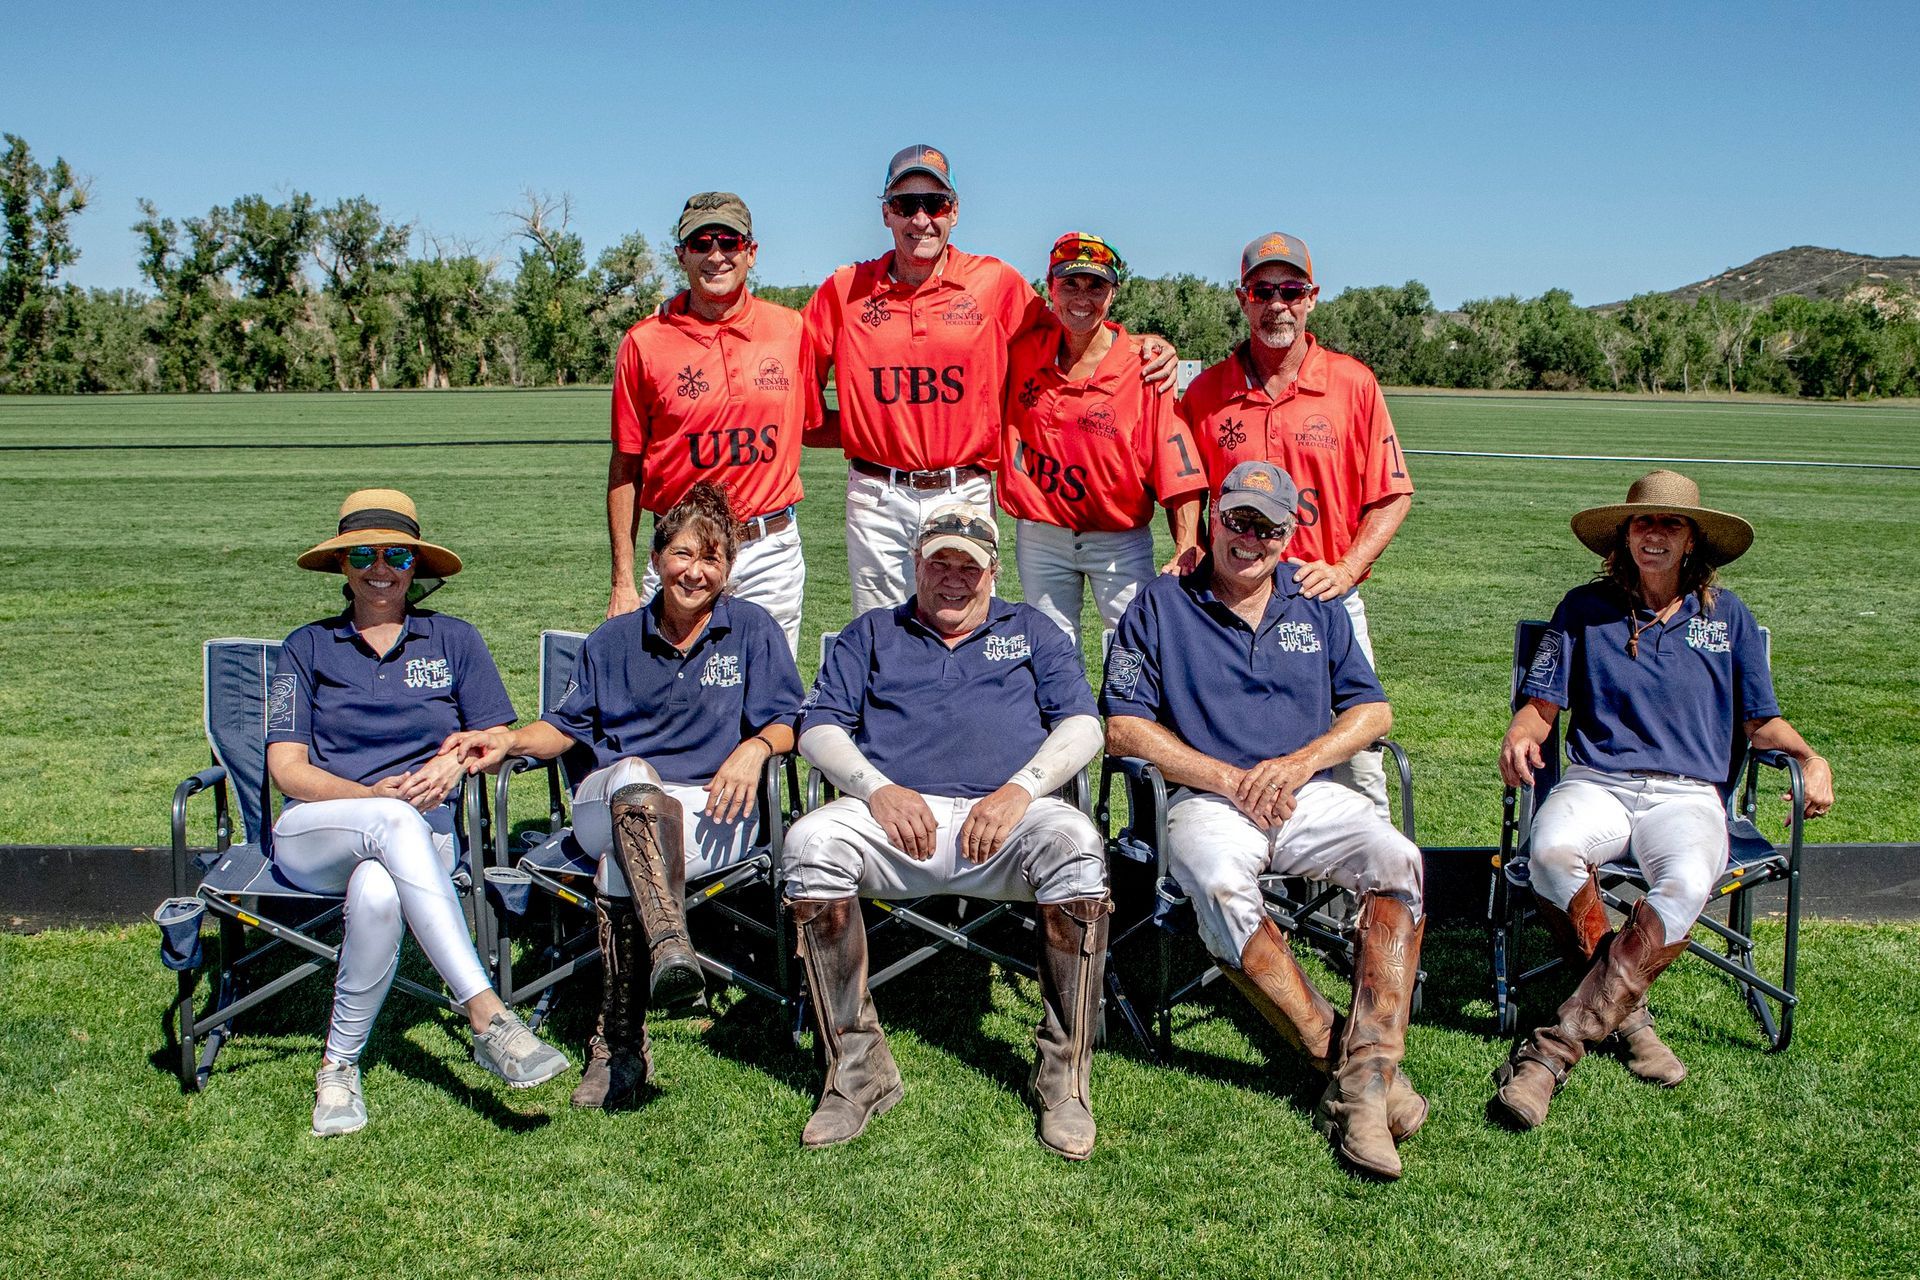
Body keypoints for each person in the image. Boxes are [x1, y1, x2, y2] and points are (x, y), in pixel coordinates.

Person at [1102, 461, 1427, 1181]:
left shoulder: (1317, 602)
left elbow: (1374, 711)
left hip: (1303, 790)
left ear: (1289, 535)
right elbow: (1122, 728)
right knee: (1218, 883)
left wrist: (1304, 761)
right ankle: (1356, 1078)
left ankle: (1363, 1082)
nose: (1249, 540)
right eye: (1238, 521)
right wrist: (1227, 778)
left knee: (1396, 856)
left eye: (1268, 528)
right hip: (1207, 797)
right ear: (1214, 518)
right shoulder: (1159, 604)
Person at [1491, 470, 1834, 1130]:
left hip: (1687, 796)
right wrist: (1519, 732)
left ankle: (1554, 1051)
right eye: (1643, 523)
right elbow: (1541, 708)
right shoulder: (1583, 609)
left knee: (1685, 884)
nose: (1654, 535)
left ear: (1691, 541)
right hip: (1598, 782)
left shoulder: (1726, 616)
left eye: (1669, 525)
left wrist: (1809, 756)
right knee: (1553, 852)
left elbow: (1760, 721)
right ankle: (1632, 1021)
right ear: (1625, 535)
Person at [449, 483, 804, 1111]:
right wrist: (507, 741)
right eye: (683, 554)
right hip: (605, 798)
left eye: (713, 559)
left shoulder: (752, 629)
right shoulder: (611, 641)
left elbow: (788, 721)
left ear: (729, 569)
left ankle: (617, 1047)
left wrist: (755, 749)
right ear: (658, 557)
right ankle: (669, 939)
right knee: (632, 774)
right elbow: (562, 728)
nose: (696, 571)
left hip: (707, 808)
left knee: (621, 862)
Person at [782, 503, 1111, 1159]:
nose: (954, 580)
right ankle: (857, 1073)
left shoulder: (1036, 632)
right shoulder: (872, 632)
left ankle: (1064, 1077)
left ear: (993, 572)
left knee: (1076, 844)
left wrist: (1022, 788)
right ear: (917, 567)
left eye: (969, 566)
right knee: (809, 844)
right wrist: (876, 790)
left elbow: (1084, 726)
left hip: (1007, 820)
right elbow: (817, 727)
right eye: (940, 564)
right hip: (895, 819)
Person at [267, 488, 570, 1137]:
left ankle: (338, 1073)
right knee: (393, 821)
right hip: (316, 834)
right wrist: (372, 799)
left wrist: (456, 763)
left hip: (423, 839)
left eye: (397, 553)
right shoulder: (307, 647)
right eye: (364, 554)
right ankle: (488, 1015)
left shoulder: (455, 641)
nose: (382, 567)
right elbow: (286, 770)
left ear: (416, 565)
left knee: (378, 893)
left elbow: (495, 741)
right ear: (343, 567)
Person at [802, 144, 1177, 615]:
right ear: (886, 214)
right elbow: (799, 395)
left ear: (954, 211)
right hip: (877, 495)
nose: (921, 219)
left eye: (934, 204)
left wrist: (1142, 341)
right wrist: (863, 428)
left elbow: (1075, 324)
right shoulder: (844, 289)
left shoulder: (994, 282)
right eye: (905, 205)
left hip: (965, 486)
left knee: (968, 630)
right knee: (881, 636)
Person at [1174, 232, 1414, 820]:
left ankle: (1372, 896)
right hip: (1232, 603)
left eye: (1290, 290)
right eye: (1263, 290)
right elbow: (1187, 488)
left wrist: (1349, 568)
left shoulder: (1352, 382)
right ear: (1242, 298)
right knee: (1225, 741)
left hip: (1323, 595)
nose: (1276, 303)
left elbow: (1392, 493)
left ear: (1311, 298)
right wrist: (1188, 544)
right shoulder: (1206, 392)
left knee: (1357, 759)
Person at [606, 192, 820, 653]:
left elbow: (821, 421)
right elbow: (625, 464)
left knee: (769, 696)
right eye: (702, 242)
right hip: (681, 549)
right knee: (665, 692)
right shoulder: (645, 341)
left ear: (751, 251)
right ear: (682, 253)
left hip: (768, 549)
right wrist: (622, 579)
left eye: (730, 240)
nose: (717, 254)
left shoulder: (790, 329)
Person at [998, 231, 1206, 651]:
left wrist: (1188, 544)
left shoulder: (1144, 367)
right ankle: (1063, 720)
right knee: (1050, 649)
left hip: (1119, 538)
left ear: (1112, 293)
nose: (1082, 296)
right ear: (1050, 286)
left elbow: (1177, 466)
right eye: (1070, 283)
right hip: (1042, 535)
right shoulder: (1021, 351)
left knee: (1137, 646)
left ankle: (1128, 720)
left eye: (1096, 285)